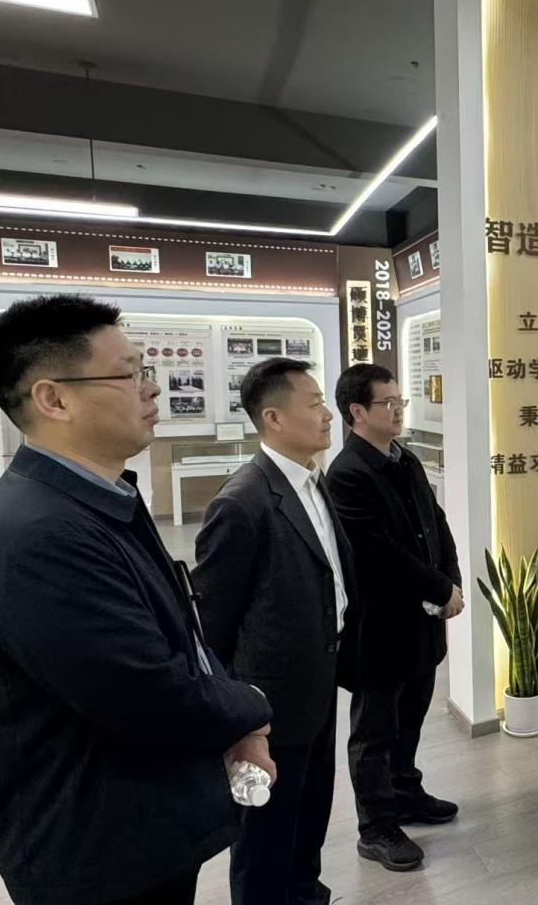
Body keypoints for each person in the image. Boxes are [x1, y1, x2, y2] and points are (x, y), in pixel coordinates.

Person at [0, 295, 274, 905]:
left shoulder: (98, 496)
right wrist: (250, 706)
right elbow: (146, 694)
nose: (153, 387)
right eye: (130, 373)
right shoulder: (42, 534)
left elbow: (182, 630)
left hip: (142, 824)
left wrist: (231, 716)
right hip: (97, 852)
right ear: (53, 399)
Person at [193, 358, 356, 905]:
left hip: (318, 679)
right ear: (274, 418)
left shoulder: (311, 479)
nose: (328, 414)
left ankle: (305, 892)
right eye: (315, 403)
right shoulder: (242, 502)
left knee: (310, 808)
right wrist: (237, 717)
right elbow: (211, 625)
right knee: (265, 830)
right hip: (267, 701)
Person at [328, 364, 463, 872]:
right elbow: (378, 554)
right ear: (357, 412)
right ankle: (376, 827)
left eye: (400, 401)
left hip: (421, 622)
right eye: (389, 403)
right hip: (380, 629)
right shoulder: (348, 474)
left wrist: (450, 580)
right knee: (375, 733)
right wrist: (438, 588)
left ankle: (406, 793)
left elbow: (436, 521)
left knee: (411, 717)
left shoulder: (402, 458)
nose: (399, 410)